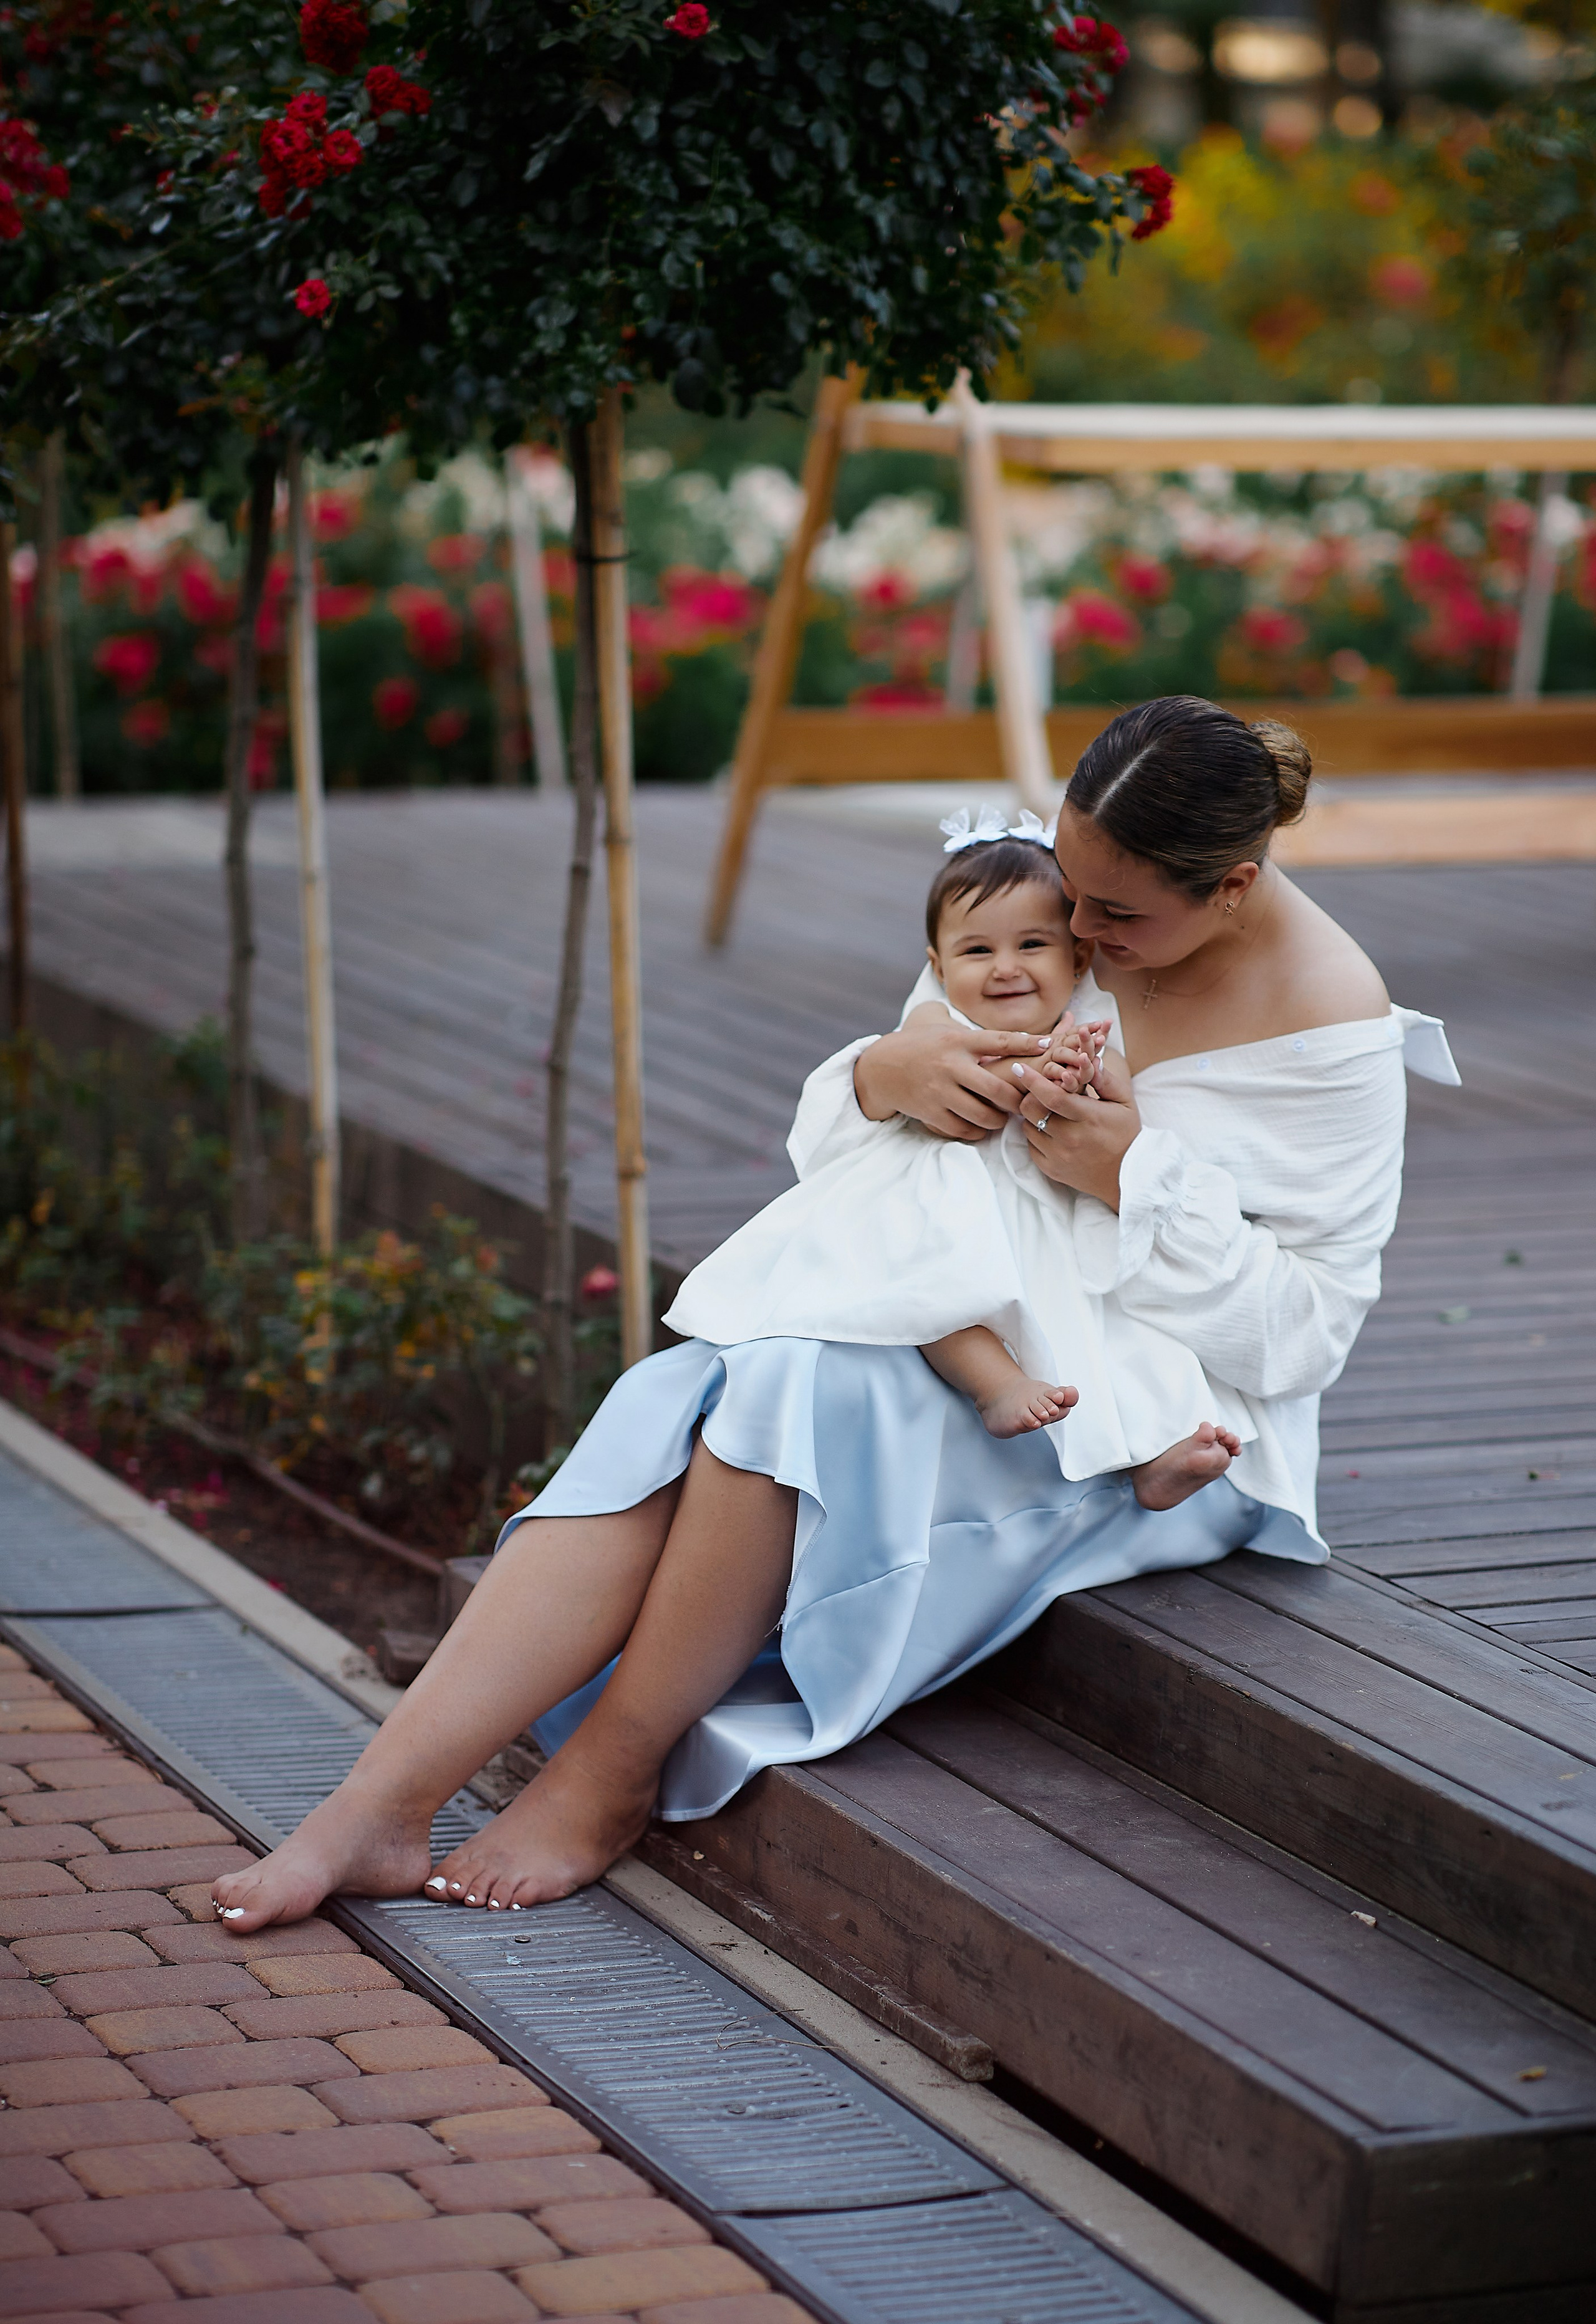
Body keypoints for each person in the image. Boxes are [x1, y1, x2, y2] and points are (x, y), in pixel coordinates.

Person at [211, 694, 1456, 1933]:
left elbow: (1303, 1339)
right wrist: (880, 1074)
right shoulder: (1067, 911)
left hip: (1156, 1414)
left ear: (1232, 887)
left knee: (787, 1385)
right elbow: (877, 1159)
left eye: (1112, 916)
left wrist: (1133, 1180)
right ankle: (378, 1802)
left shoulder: (1327, 1022)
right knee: (690, 1387)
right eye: (1071, 893)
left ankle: (607, 1773)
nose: (1077, 934)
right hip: (972, 1313)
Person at [665, 805, 1243, 1505]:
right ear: (938, 967)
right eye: (976, 952)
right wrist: (1039, 1070)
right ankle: (994, 1387)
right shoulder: (936, 1020)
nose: (1005, 968)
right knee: (936, 1279)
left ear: (1076, 958)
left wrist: (1082, 1074)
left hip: (1048, 1208)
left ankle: (1155, 1450)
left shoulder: (1090, 1025)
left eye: (1032, 944)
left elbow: (1117, 1089)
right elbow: (962, 1073)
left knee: (1113, 1325)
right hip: (940, 1192)